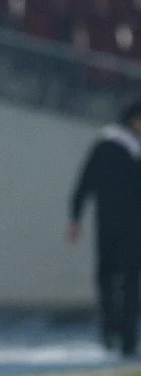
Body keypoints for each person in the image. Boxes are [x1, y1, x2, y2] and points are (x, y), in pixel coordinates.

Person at [68, 100, 141, 357]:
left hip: (110, 226)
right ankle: (124, 338)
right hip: (128, 227)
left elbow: (84, 182)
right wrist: (75, 218)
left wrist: (75, 217)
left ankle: (114, 334)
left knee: (110, 281)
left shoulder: (104, 145)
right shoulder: (121, 147)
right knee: (127, 283)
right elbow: (86, 182)